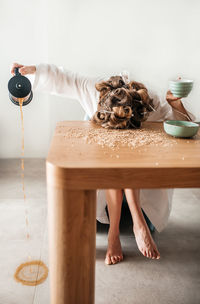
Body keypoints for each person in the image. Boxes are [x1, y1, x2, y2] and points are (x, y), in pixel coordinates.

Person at [11, 63, 195, 265]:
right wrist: (31, 71)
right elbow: (64, 77)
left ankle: (138, 223)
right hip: (103, 199)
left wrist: (176, 105)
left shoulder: (152, 103)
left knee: (126, 156)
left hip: (144, 198)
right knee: (111, 155)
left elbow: (187, 127)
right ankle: (114, 232)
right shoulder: (93, 90)